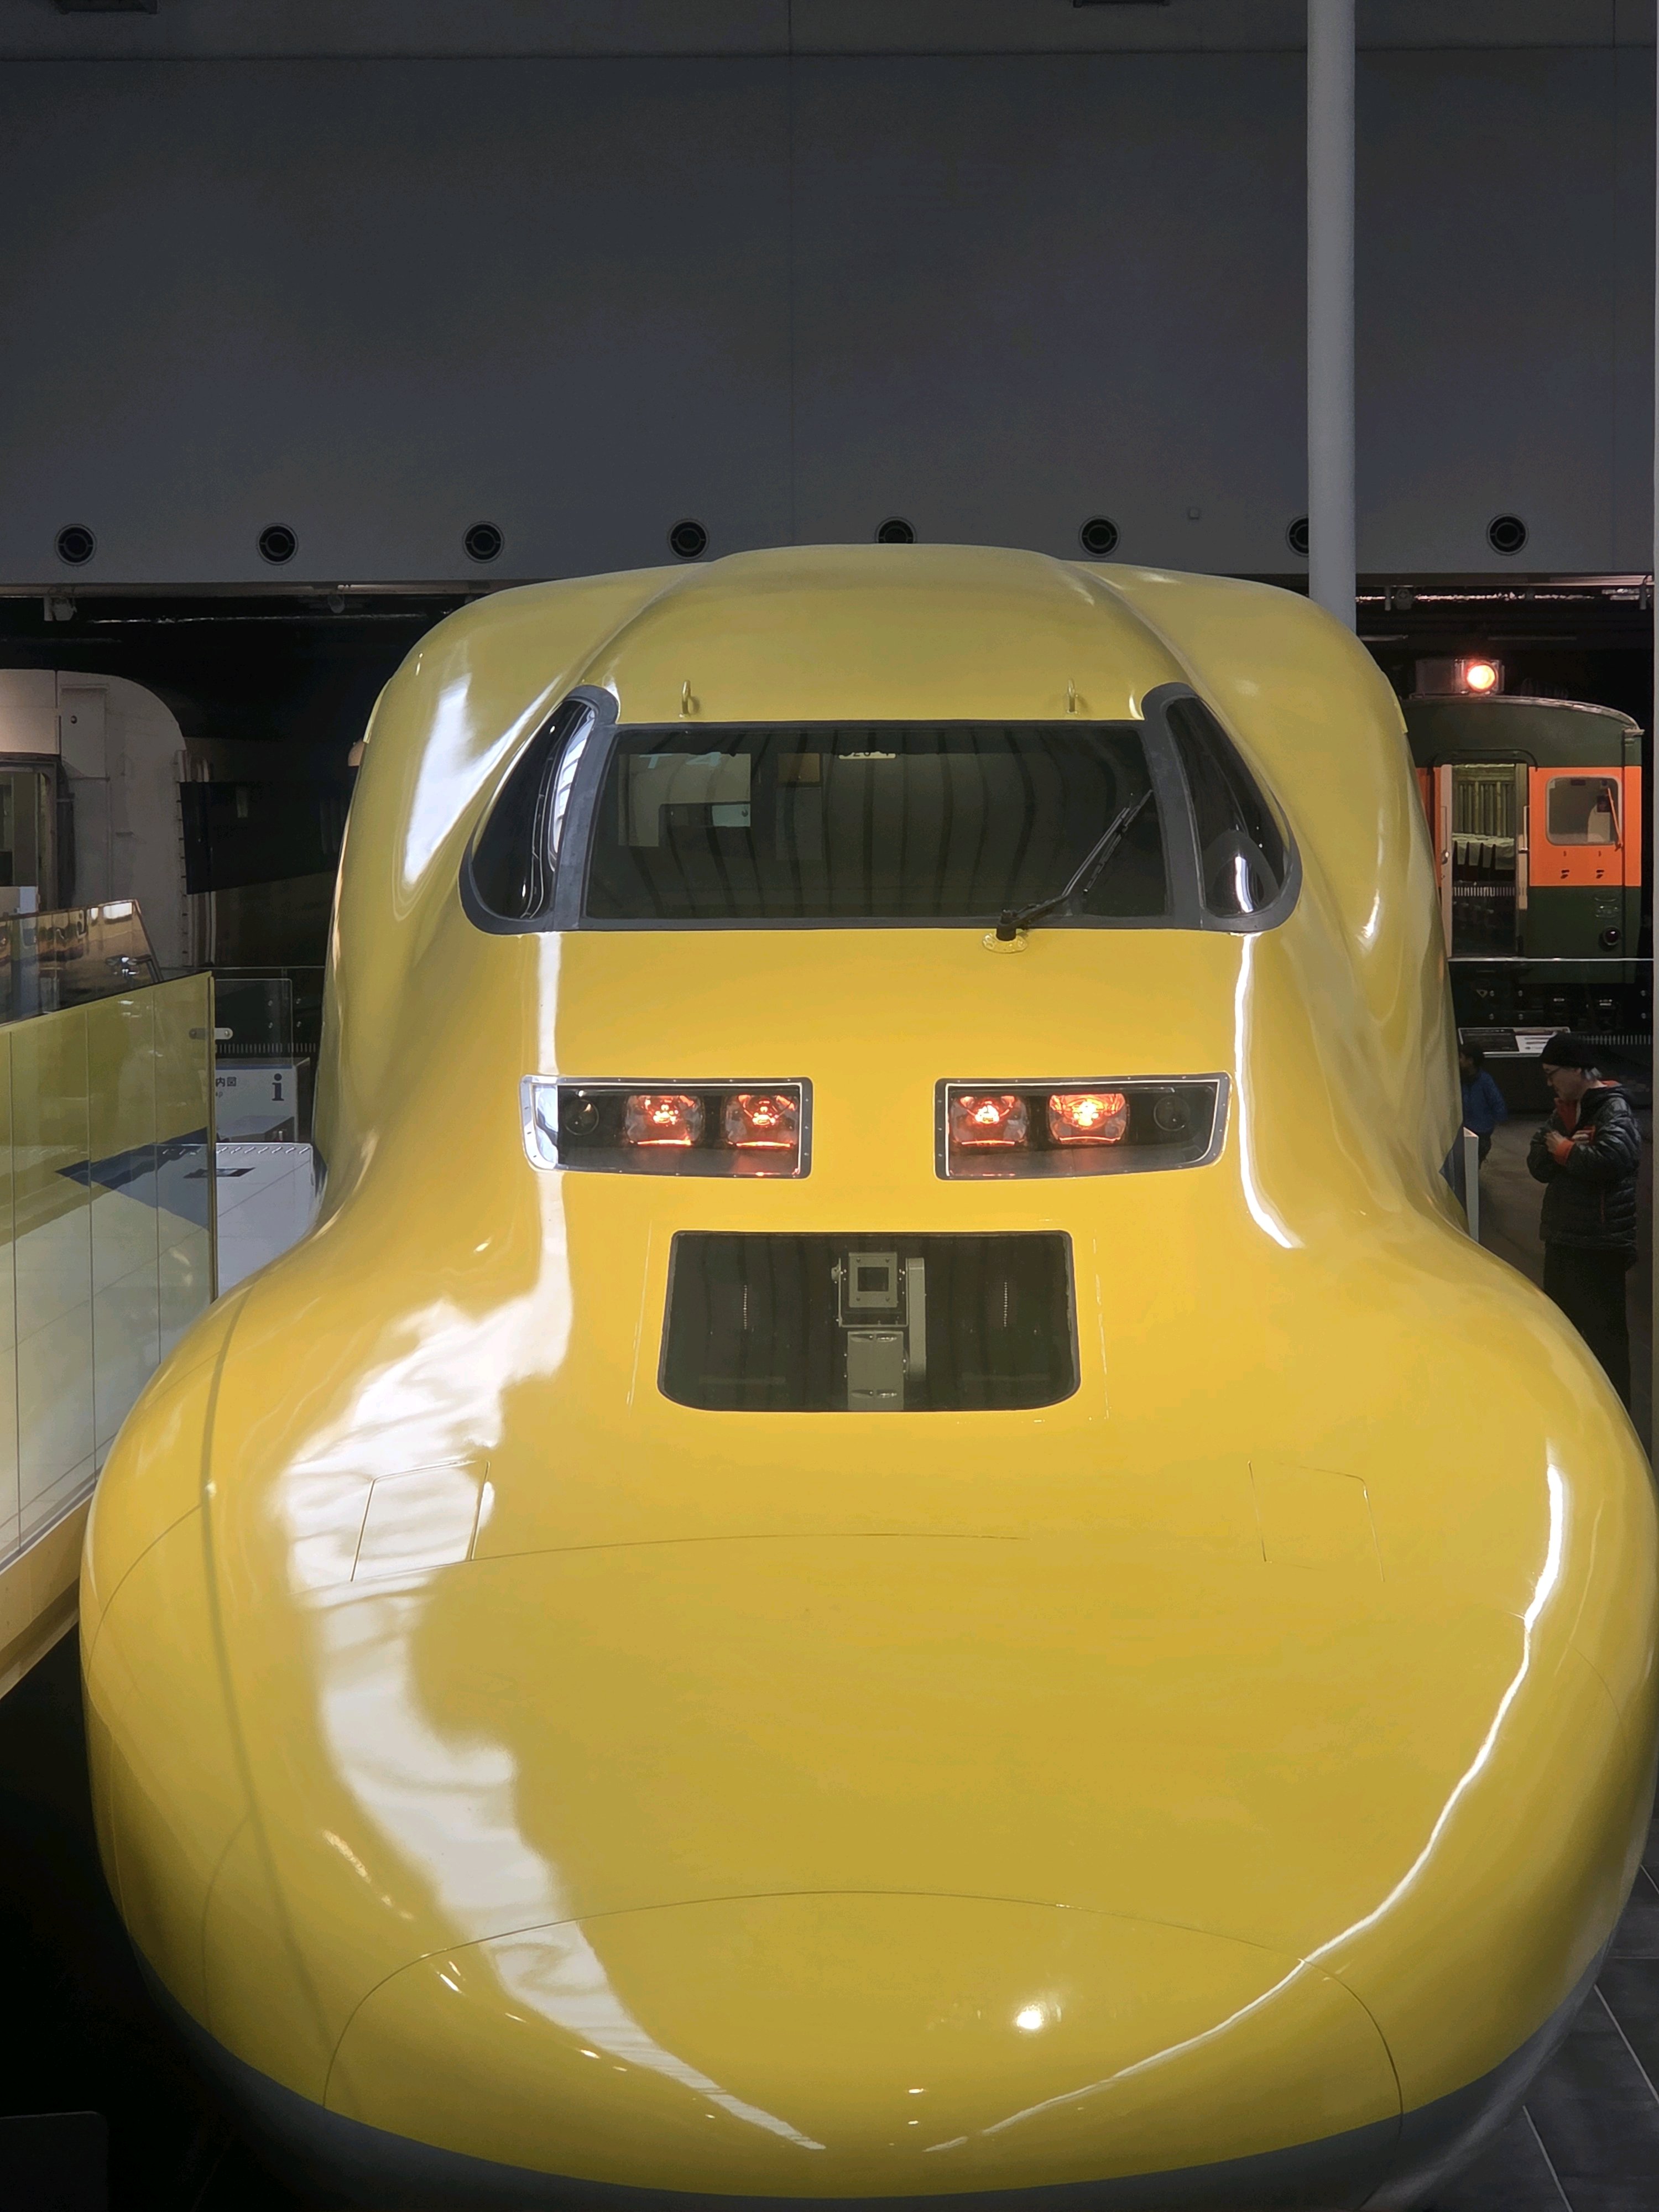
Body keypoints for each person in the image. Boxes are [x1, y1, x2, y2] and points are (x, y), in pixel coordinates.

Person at [1526, 1032, 1641, 1407]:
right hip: (1563, 1239)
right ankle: (1571, 1406)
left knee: (1604, 1339)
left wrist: (1564, 1151)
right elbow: (1537, 1162)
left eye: (1552, 1074)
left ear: (1577, 1070)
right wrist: (1562, 1147)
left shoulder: (1613, 1108)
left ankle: (1614, 1413)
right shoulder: (1564, 1111)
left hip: (1601, 1244)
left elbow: (1613, 1159)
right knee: (1564, 1331)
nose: (1550, 1084)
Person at [1458, 1042, 1508, 1165]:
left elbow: (1496, 1101)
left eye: (1461, 1057)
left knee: (1474, 1161)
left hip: (1481, 1130)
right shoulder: (1460, 1079)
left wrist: (1500, 1118)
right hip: (1465, 1127)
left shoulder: (1485, 1081)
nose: (1458, 1061)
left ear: (1470, 1061)